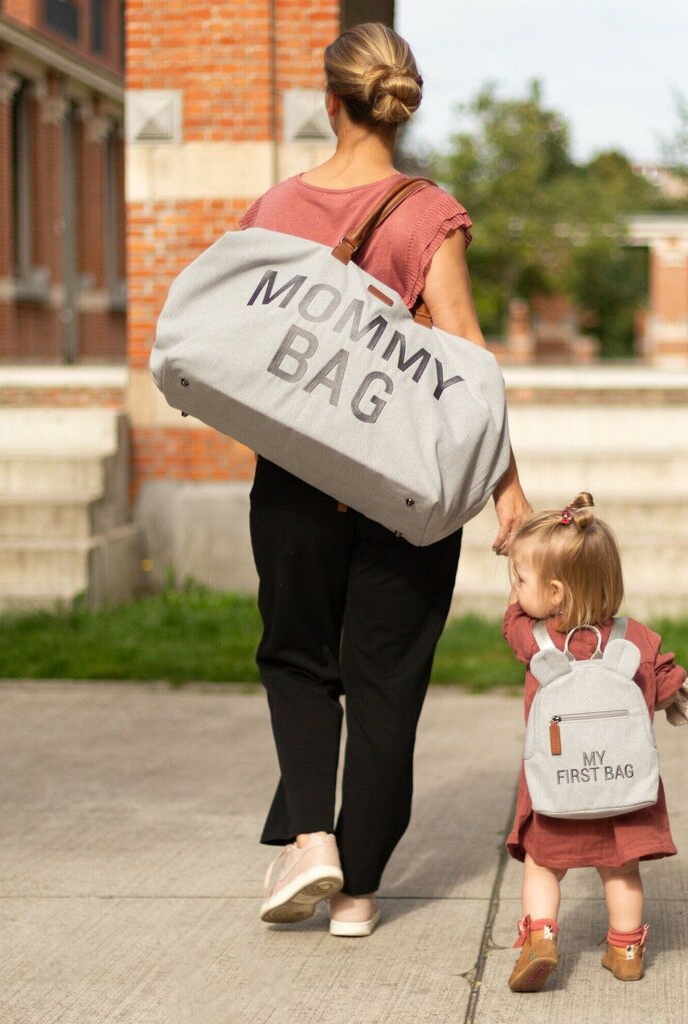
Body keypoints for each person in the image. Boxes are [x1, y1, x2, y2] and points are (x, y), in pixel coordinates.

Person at [240, 23, 530, 937]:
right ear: (401, 106)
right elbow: (467, 363)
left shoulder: (272, 211)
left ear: (332, 100)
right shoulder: (425, 215)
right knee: (384, 684)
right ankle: (358, 892)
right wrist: (506, 490)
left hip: (294, 480)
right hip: (405, 491)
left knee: (296, 659)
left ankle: (312, 840)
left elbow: (248, 350)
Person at [502, 492, 688, 990]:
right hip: (620, 789)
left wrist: (520, 588)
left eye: (521, 581)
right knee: (621, 869)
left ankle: (540, 939)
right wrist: (678, 696)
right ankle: (626, 949)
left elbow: (512, 621)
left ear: (555, 593)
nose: (516, 591)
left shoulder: (535, 639)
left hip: (558, 786)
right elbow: (666, 682)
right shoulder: (636, 639)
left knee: (543, 865)